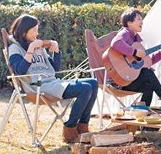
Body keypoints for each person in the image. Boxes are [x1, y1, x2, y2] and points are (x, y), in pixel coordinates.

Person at [8, 14, 98, 144]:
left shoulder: (39, 47)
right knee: (85, 88)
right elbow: (20, 70)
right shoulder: (14, 48)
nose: (37, 33)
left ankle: (83, 127)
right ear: (23, 32)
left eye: (37, 30)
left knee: (93, 83)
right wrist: (31, 49)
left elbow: (54, 68)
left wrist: (56, 51)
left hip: (53, 82)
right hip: (38, 86)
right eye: (34, 30)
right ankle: (70, 128)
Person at [109, 8, 161, 106]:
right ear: (129, 22)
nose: (142, 22)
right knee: (147, 73)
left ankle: (142, 110)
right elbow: (115, 43)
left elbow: (145, 63)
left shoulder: (136, 40)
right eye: (139, 19)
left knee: (148, 84)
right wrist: (134, 51)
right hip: (120, 81)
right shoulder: (125, 33)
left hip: (130, 80)